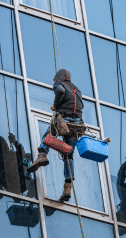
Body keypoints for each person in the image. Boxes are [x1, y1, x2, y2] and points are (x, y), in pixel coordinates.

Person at [27, 69, 84, 202]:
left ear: (59, 78)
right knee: (68, 154)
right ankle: (67, 187)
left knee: (48, 135)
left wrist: (55, 105)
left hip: (64, 120)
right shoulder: (77, 89)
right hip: (77, 125)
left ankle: (42, 156)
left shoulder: (60, 85)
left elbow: (60, 92)